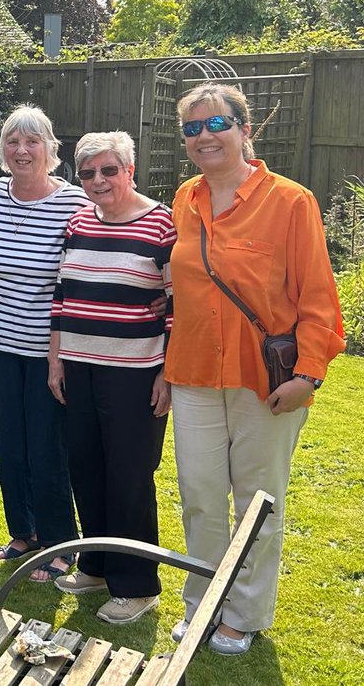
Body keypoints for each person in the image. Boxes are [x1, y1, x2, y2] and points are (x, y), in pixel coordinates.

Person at [164, 83, 344, 654]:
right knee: (198, 493)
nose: (204, 137)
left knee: (258, 500)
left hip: (265, 381)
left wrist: (308, 374)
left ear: (246, 129)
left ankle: (242, 614)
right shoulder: (185, 199)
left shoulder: (290, 201)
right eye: (192, 128)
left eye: (216, 124)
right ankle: (202, 605)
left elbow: (318, 299)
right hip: (193, 373)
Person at [46, 131, 175, 624]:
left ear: (130, 170)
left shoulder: (160, 225)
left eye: (108, 170)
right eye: (87, 173)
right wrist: (57, 360)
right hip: (78, 367)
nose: (98, 180)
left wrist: (168, 371)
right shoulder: (78, 222)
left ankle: (138, 584)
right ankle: (96, 566)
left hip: (136, 373)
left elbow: (176, 306)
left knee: (128, 477)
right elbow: (62, 296)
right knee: (86, 468)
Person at [0, 106, 88, 578]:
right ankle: (22, 533)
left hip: (49, 350)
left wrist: (58, 356)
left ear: (50, 149)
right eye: (12, 142)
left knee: (48, 446)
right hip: (1, 342)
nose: (21, 151)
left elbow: (74, 285)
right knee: (11, 441)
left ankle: (59, 541)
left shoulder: (73, 205)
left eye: (32, 142)